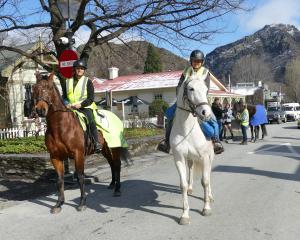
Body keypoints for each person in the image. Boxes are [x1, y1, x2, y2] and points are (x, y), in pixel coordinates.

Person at [157, 50, 224, 154]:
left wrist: (198, 101)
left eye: (199, 61)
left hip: (199, 101)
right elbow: (179, 86)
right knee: (169, 115)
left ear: (202, 62)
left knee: (213, 120)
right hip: (184, 100)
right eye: (194, 61)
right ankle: (167, 142)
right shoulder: (186, 72)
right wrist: (180, 98)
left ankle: (216, 141)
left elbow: (205, 89)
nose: (196, 63)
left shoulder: (205, 72)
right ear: (191, 61)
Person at [62, 59, 102, 153]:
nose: (79, 70)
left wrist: (80, 105)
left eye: (81, 68)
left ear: (84, 70)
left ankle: (96, 143)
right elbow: (64, 96)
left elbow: (90, 98)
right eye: (77, 68)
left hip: (85, 107)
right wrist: (66, 103)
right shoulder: (67, 82)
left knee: (91, 120)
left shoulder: (88, 81)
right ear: (74, 69)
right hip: (70, 107)